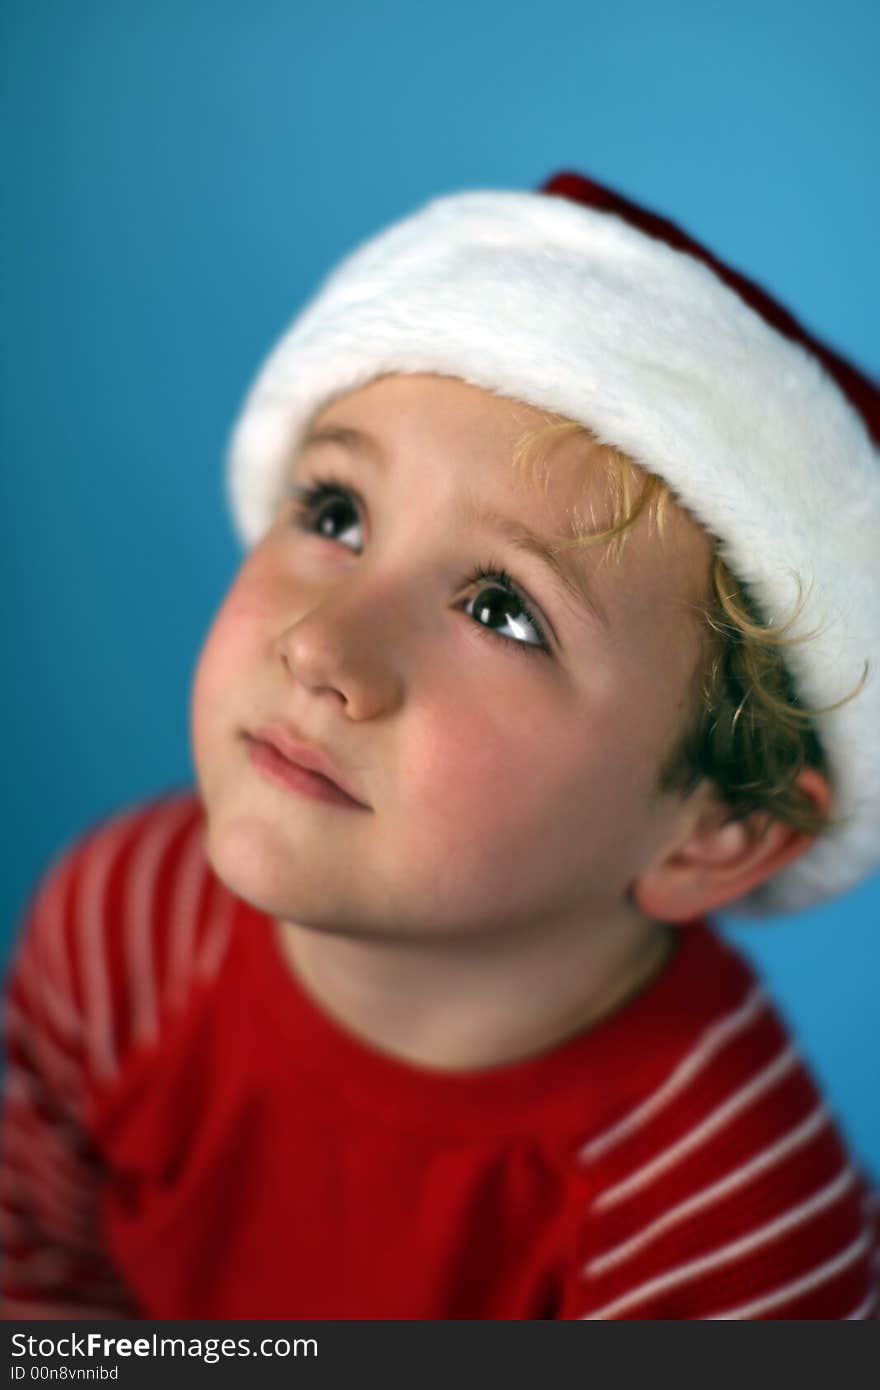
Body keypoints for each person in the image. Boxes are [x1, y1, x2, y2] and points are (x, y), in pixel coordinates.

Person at [2, 171, 878, 1321]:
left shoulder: (734, 1225)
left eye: (504, 610)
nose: (326, 645)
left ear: (717, 833)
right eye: (336, 515)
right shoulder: (121, 924)